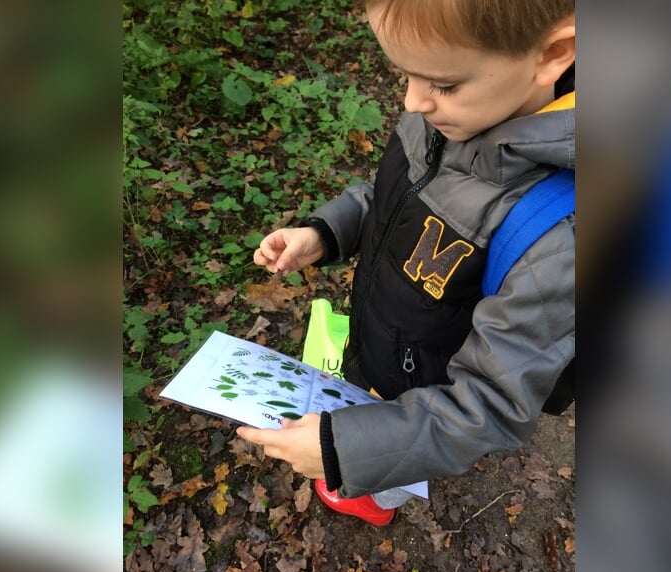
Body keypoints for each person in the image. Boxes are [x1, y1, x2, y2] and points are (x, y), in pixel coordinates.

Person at [237, 0, 575, 526]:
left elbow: (490, 403)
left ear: (555, 53)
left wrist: (347, 451)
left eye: (441, 83)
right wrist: (327, 232)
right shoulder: (449, 118)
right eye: (406, 75)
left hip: (429, 387)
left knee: (389, 462)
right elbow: (394, 199)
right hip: (384, 336)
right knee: (365, 392)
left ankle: (381, 496)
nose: (412, 100)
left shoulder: (557, 236)